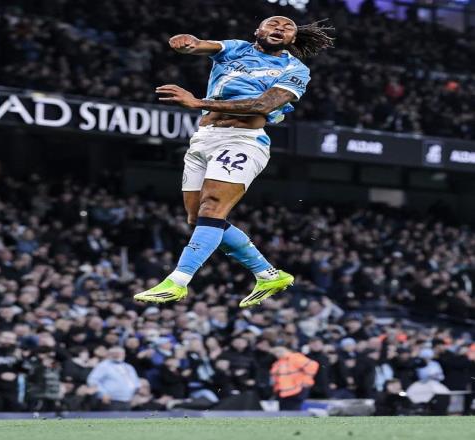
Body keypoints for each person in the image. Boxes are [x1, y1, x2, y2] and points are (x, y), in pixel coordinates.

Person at [134, 16, 333, 307]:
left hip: (243, 140)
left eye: (287, 27)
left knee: (212, 208)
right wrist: (186, 42)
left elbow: (263, 105)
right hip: (204, 138)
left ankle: (177, 281)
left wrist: (198, 102)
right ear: (258, 30)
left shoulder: (295, 69)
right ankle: (267, 275)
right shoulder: (237, 48)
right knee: (198, 218)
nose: (279, 28)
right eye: (273, 23)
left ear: (293, 39)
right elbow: (200, 46)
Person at [87, 346, 141, 411]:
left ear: (124, 354)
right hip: (111, 400)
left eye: (119, 353)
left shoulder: (129, 367)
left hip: (128, 400)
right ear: (109, 354)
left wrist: (135, 394)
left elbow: (136, 382)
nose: (117, 355)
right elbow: (92, 380)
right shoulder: (103, 366)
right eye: (114, 353)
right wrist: (102, 393)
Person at [270, 346, 319, 410]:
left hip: (297, 391)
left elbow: (312, 365)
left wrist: (306, 381)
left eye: (279, 351)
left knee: (293, 412)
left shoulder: (294, 357)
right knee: (285, 412)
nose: (277, 354)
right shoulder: (279, 362)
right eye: (275, 353)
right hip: (284, 393)